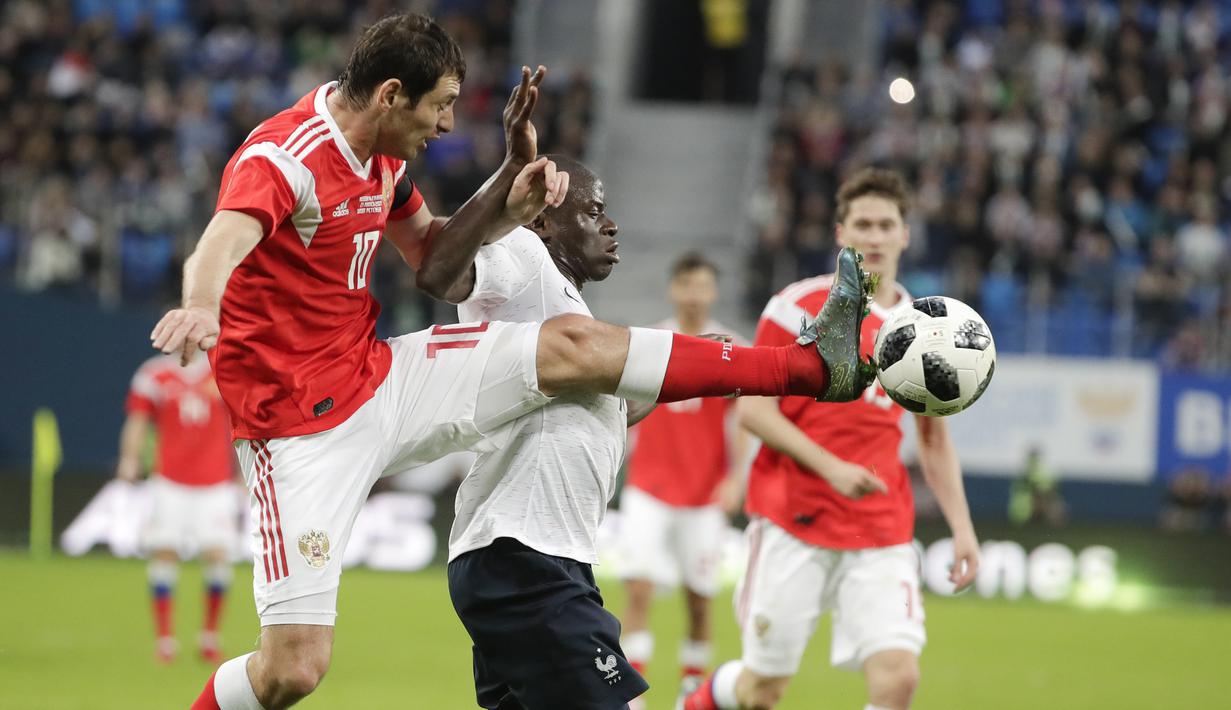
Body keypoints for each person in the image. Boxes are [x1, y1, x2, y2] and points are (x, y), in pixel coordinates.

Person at [152, 14, 874, 710]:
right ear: (390, 95)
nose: (443, 125)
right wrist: (203, 304)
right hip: (296, 432)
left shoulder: (380, 163)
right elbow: (221, 239)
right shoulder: (286, 155)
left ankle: (810, 368)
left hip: (379, 378)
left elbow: (431, 256)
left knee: (571, 345)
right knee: (292, 673)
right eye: (438, 107)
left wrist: (509, 184)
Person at [684, 168, 981, 710]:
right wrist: (832, 468)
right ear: (841, 233)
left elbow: (934, 441)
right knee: (761, 692)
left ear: (905, 234)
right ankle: (697, 702)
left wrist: (963, 528)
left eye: (885, 224)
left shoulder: (925, 328)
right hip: (793, 518)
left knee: (898, 681)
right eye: (862, 224)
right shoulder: (796, 308)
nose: (874, 236)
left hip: (881, 529)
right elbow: (753, 413)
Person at [446, 154, 655, 709]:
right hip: (525, 555)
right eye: (594, 211)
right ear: (543, 220)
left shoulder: (560, 303)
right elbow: (446, 272)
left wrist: (678, 380)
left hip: (539, 556)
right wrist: (504, 198)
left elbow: (595, 410)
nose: (611, 226)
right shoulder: (524, 256)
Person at [618, 252, 751, 705]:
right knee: (638, 589)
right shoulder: (649, 341)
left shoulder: (731, 348)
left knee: (699, 600)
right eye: (687, 285)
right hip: (648, 488)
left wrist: (735, 479)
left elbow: (747, 419)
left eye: (703, 286)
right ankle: (635, 696)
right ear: (673, 288)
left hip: (703, 495)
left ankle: (690, 692)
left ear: (713, 293)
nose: (695, 295)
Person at [117, 354, 238, 664]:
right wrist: (130, 459)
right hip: (169, 481)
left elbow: (243, 420)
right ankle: (165, 640)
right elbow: (138, 420)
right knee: (165, 551)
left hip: (215, 482)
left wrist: (243, 472)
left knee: (217, 554)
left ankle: (209, 637)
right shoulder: (154, 375)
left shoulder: (222, 370)